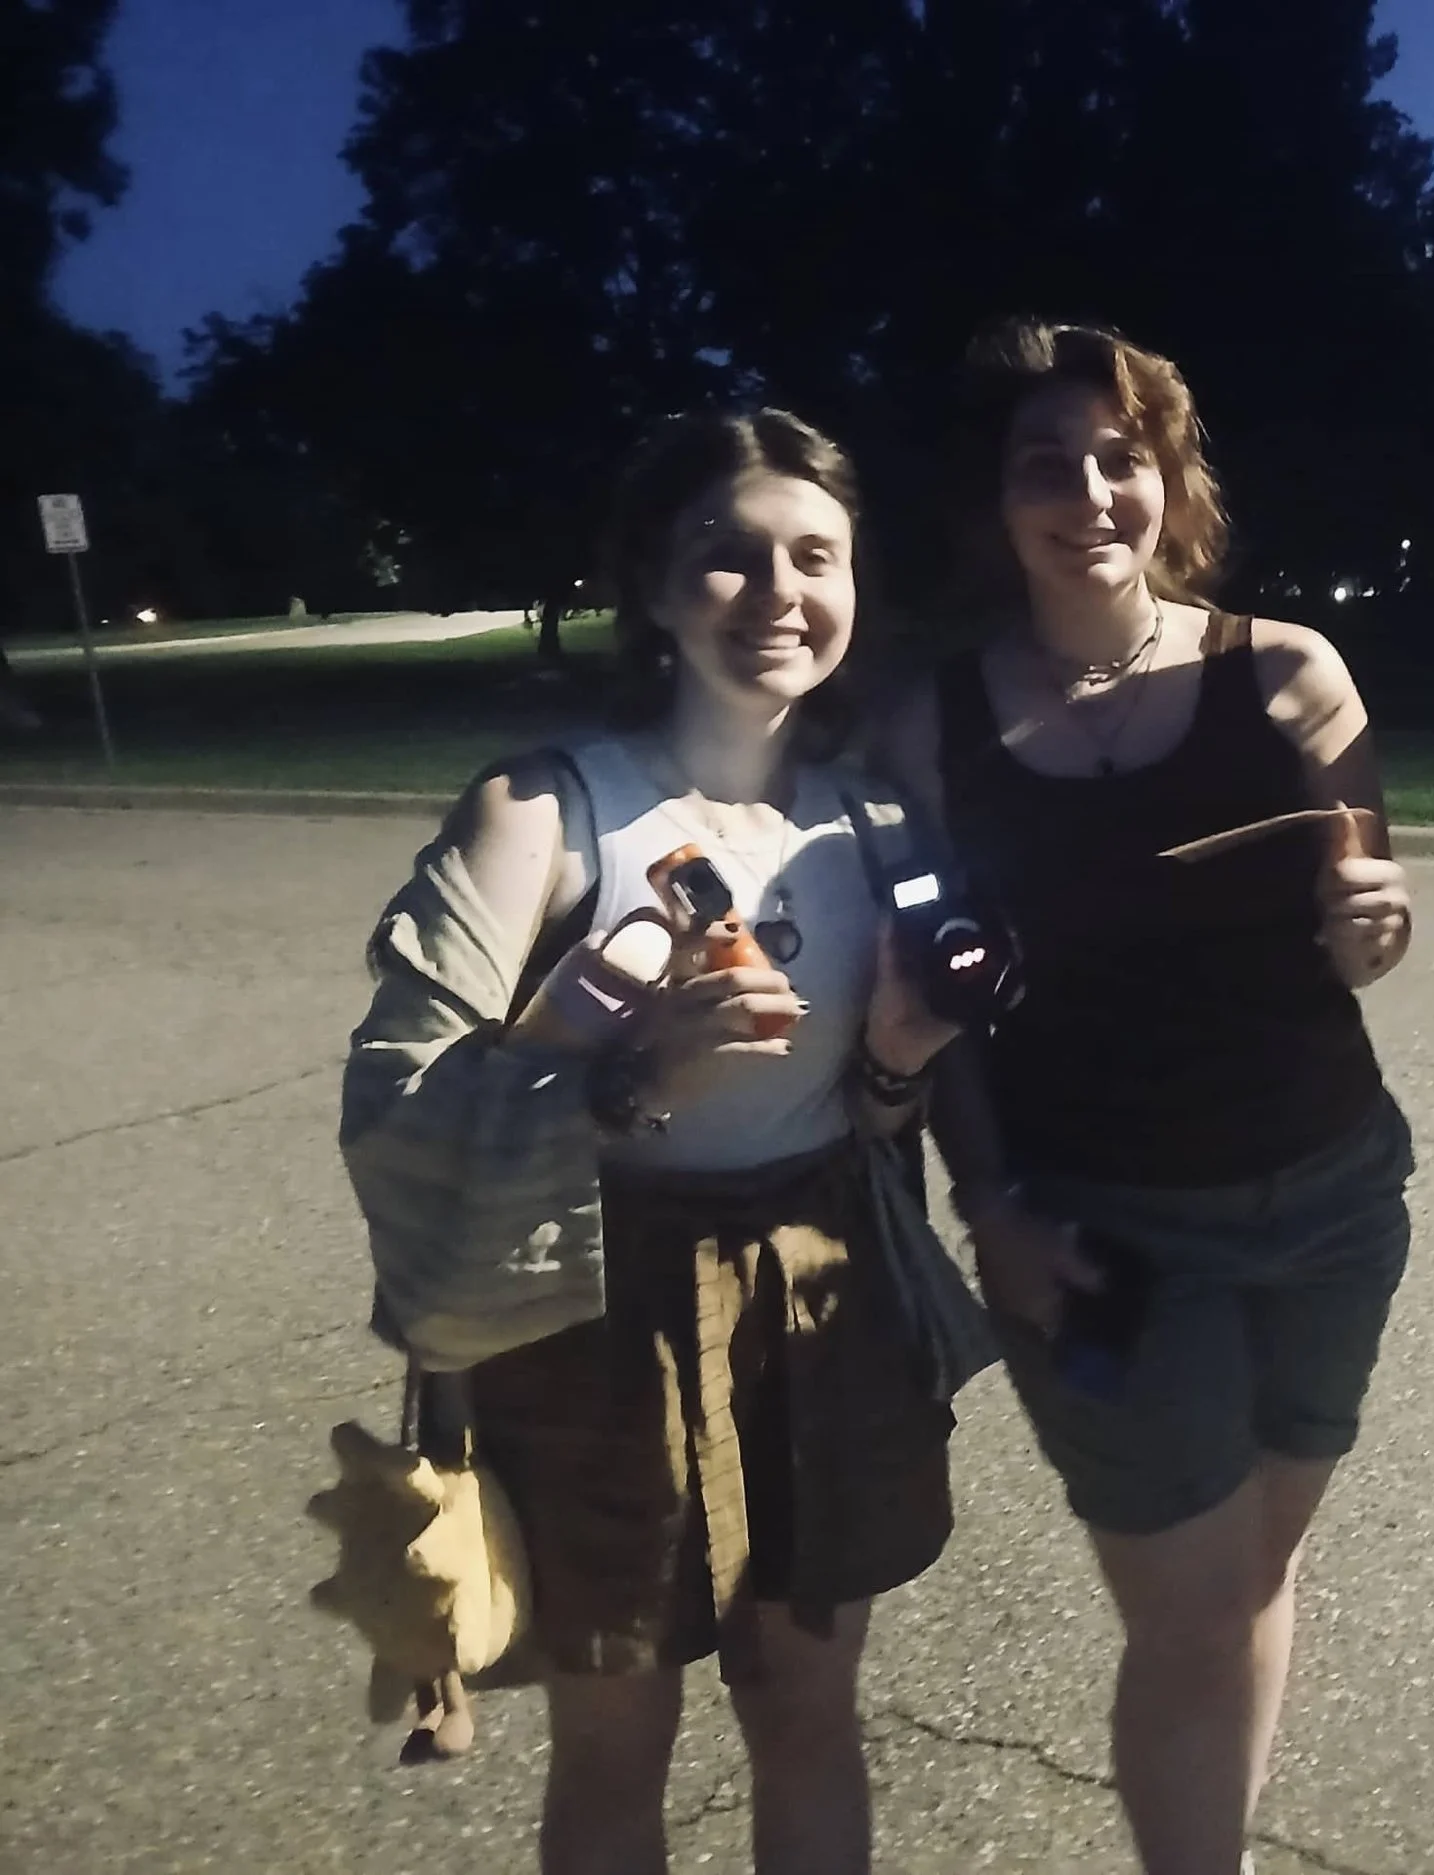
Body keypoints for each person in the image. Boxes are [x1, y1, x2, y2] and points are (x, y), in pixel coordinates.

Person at [341, 409, 962, 1875]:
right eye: (727, 557)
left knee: (809, 1706)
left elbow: (875, 1113)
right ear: (656, 586)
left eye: (816, 555)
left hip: (824, 1300)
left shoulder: (872, 816)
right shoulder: (546, 809)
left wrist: (892, 1065)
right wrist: (626, 1077)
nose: (779, 592)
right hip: (597, 1325)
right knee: (619, 1738)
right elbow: (392, 1102)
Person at [878, 318, 1416, 1875]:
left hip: (1329, 1204)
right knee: (1183, 1618)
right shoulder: (936, 727)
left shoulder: (1291, 673)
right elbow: (943, 1002)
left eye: (1124, 457)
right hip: (1099, 1232)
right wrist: (994, 1211)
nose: (1090, 490)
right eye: (1046, 461)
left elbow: (1363, 904)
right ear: (996, 501)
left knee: (1250, 1574)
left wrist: (1374, 927)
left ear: (1171, 482)